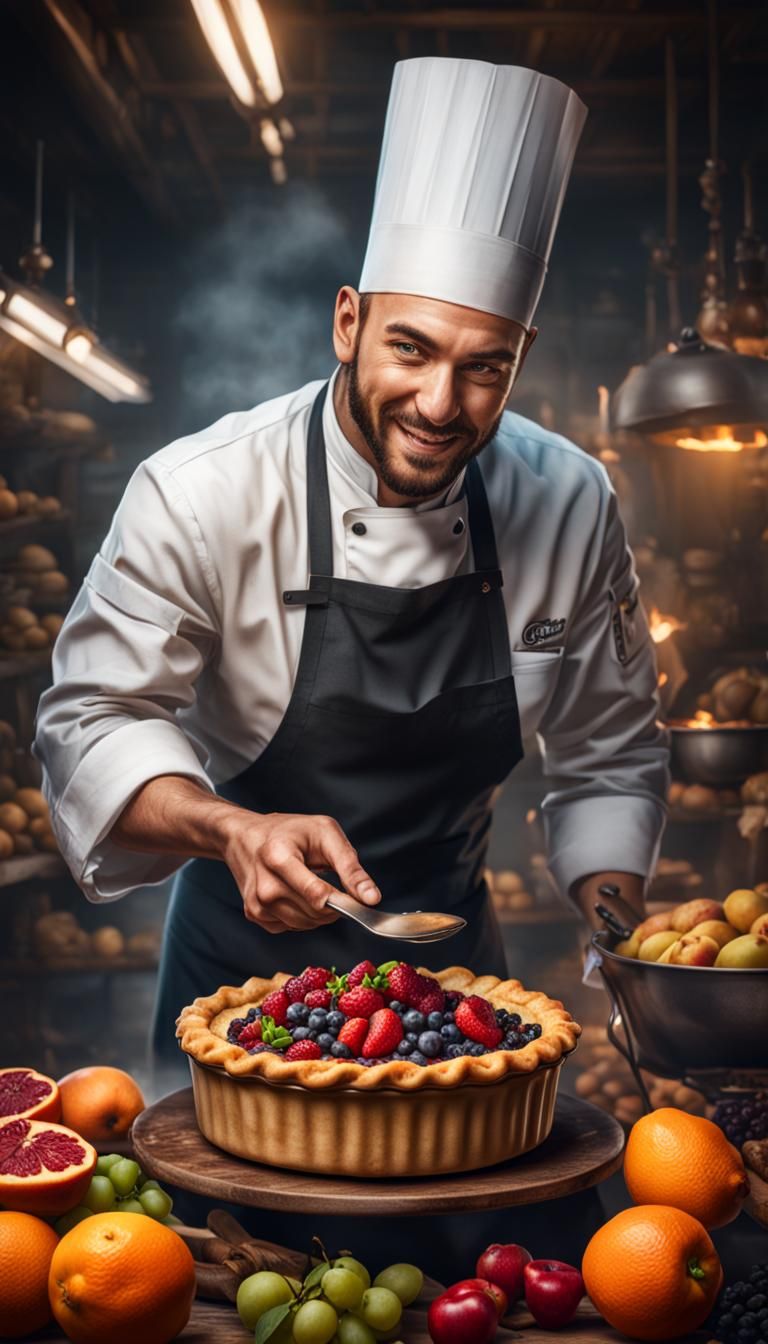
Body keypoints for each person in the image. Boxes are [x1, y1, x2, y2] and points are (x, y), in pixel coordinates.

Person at [37, 55, 666, 1092]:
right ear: (347, 322)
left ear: (521, 353)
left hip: (455, 992)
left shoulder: (568, 498)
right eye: (410, 349)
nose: (440, 403)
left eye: (484, 367)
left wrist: (623, 944)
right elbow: (89, 721)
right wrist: (232, 830)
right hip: (234, 985)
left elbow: (608, 754)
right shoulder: (201, 490)